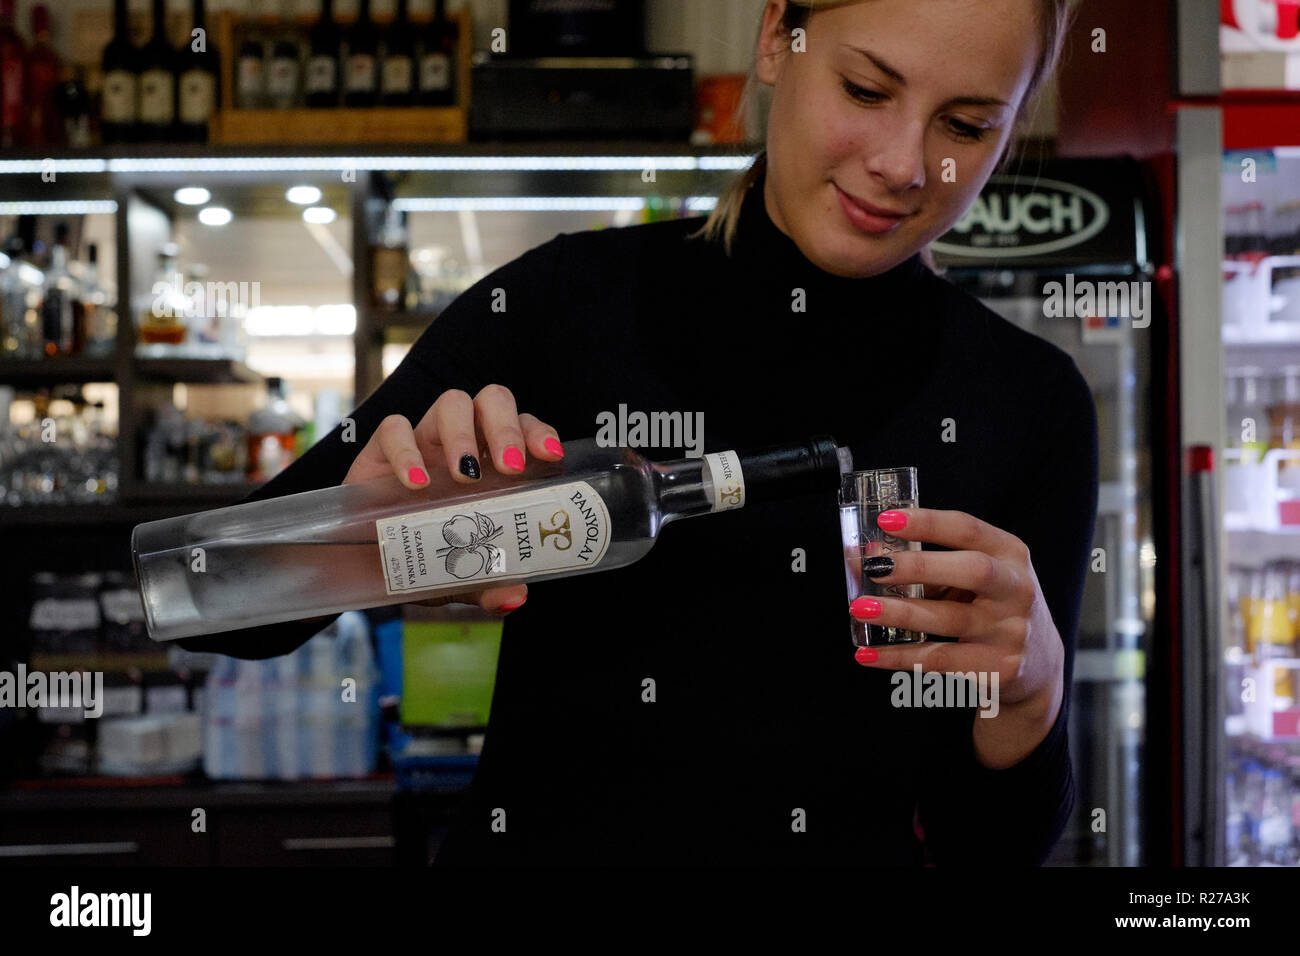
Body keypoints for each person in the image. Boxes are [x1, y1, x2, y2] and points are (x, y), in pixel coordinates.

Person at [180, 0, 1094, 865]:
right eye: (866, 90)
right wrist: (368, 525)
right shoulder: (556, 308)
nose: (904, 162)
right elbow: (208, 599)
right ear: (778, 36)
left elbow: (997, 849)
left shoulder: (1029, 403)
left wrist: (1031, 694)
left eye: (967, 125)